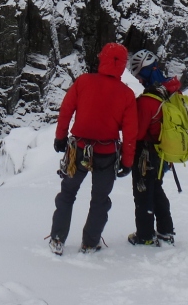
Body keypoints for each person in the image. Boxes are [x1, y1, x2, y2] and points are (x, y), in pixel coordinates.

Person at [48, 42, 137, 255]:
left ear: (102, 59)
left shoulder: (84, 82)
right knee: (100, 200)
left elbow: (66, 110)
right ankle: (89, 243)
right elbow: (130, 133)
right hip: (107, 153)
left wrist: (60, 137)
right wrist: (127, 161)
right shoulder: (126, 94)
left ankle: (57, 239)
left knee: (68, 193)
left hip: (79, 149)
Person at [128, 49, 182, 247]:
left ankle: (145, 236)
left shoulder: (148, 100)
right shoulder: (173, 91)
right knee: (156, 188)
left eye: (140, 76)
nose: (139, 80)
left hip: (146, 154)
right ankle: (166, 231)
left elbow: (138, 133)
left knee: (143, 192)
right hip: (164, 152)